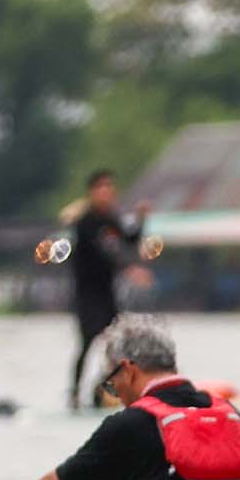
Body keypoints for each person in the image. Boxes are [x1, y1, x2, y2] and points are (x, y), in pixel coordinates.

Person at [0, 316, 240, 480]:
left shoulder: (132, 423)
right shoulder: (228, 413)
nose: (116, 394)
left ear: (128, 369)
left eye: (111, 383)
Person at [67, 169, 150, 409]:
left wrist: (141, 218)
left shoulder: (110, 219)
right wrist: (128, 269)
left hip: (106, 294)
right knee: (87, 343)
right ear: (92, 192)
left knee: (118, 345)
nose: (106, 192)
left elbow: (130, 239)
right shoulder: (85, 222)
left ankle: (101, 390)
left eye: (109, 188)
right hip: (87, 295)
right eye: (101, 188)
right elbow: (100, 254)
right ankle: (74, 395)